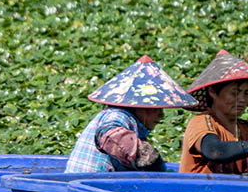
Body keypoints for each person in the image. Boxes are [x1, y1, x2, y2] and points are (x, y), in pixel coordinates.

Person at [65, 55, 197, 173]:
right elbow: (109, 133)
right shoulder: (117, 115)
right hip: (86, 186)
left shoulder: (130, 121)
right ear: (140, 107)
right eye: (156, 109)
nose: (161, 115)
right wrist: (147, 156)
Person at [179, 50, 248, 174]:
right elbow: (214, 151)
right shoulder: (201, 122)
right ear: (213, 92)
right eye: (235, 93)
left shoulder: (244, 128)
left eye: (246, 93)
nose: (242, 99)